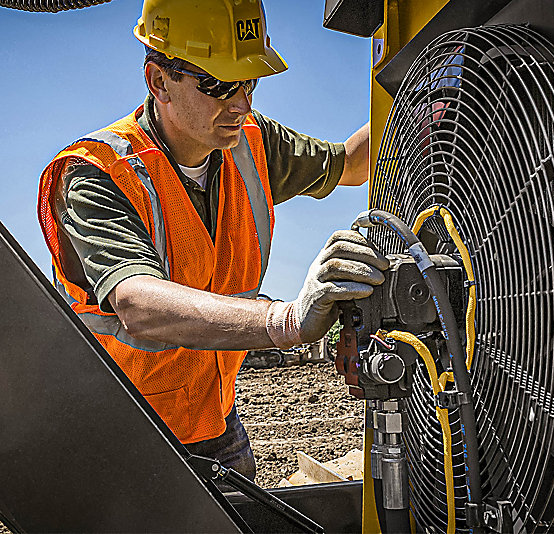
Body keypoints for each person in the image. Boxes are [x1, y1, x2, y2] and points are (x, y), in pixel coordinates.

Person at [37, 0, 387, 481]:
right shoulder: (97, 173)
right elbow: (138, 303)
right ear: (159, 81)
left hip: (216, 425)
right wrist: (285, 319)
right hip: (121, 441)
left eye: (249, 83)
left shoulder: (251, 141)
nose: (241, 104)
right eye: (219, 85)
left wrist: (425, 89)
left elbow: (350, 162)